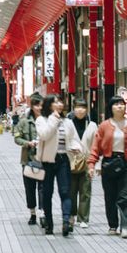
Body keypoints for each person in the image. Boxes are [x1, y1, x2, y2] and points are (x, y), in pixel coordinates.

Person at [88, 96, 127, 238]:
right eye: (116, 104)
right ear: (111, 108)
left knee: (124, 197)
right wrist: (91, 164)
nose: (120, 106)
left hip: (126, 165)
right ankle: (113, 225)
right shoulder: (104, 126)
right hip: (109, 163)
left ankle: (125, 225)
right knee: (110, 197)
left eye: (122, 104)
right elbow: (96, 147)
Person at [36, 94, 83, 237]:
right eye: (56, 102)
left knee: (65, 191)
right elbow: (44, 135)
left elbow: (74, 139)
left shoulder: (67, 121)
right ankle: (49, 223)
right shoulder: (42, 120)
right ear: (49, 105)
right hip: (48, 161)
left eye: (61, 101)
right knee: (47, 192)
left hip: (63, 159)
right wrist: (54, 119)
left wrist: (76, 148)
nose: (60, 104)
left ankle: (66, 222)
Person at [13, 95, 43, 226]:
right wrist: (27, 143)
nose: (39, 108)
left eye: (41, 105)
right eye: (36, 105)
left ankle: (43, 212)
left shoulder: (48, 121)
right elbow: (17, 138)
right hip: (28, 160)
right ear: (32, 106)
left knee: (43, 188)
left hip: (44, 160)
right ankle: (32, 213)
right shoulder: (24, 122)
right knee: (30, 188)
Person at [68, 99, 98, 229]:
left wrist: (96, 165)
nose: (80, 110)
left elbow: (96, 146)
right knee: (71, 191)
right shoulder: (67, 124)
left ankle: (84, 218)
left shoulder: (92, 125)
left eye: (83, 107)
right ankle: (71, 215)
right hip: (71, 162)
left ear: (87, 110)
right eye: (77, 107)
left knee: (85, 191)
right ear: (73, 109)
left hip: (87, 162)